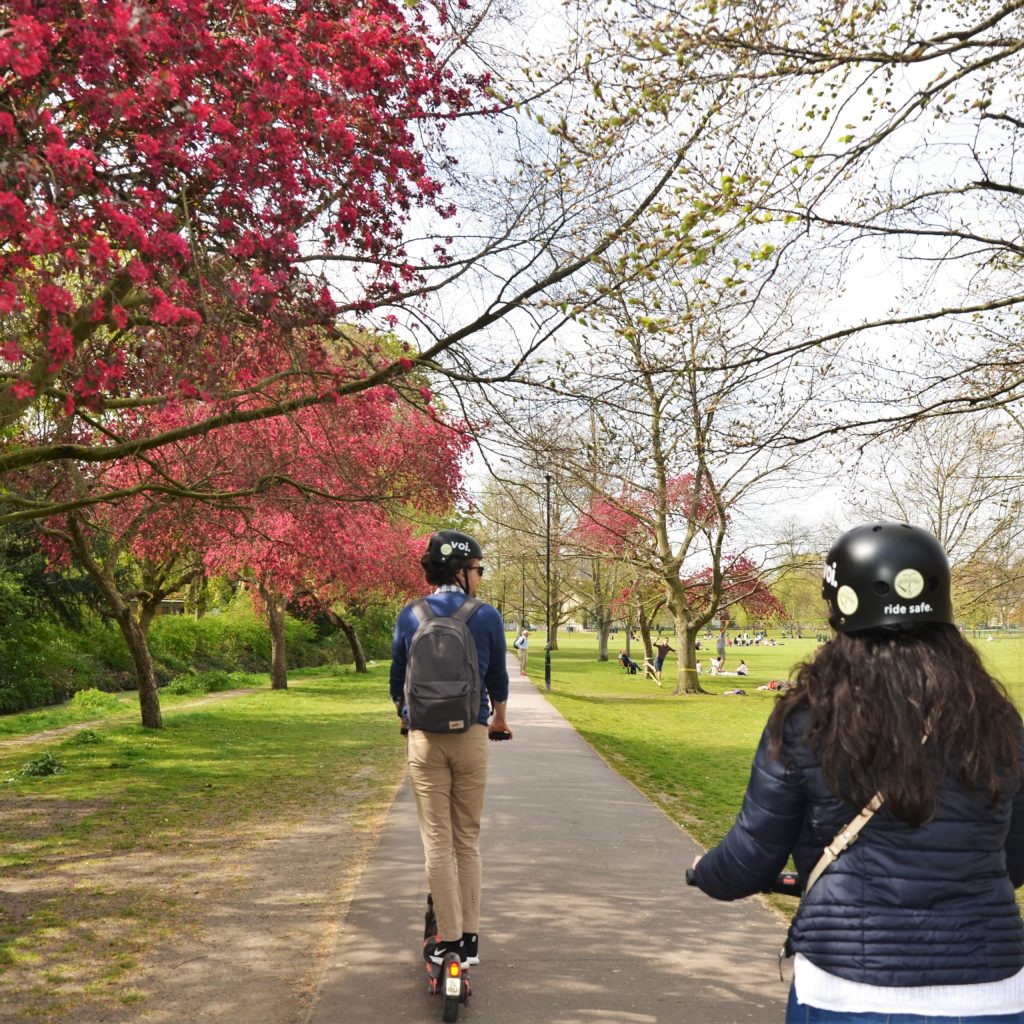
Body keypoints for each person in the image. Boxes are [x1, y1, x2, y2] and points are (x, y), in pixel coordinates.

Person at [691, 522, 1024, 1023]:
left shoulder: (810, 717)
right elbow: (1014, 855)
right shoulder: (995, 716)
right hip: (991, 993)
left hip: (847, 993)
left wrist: (702, 873)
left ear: (840, 609)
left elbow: (752, 857)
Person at [390, 530, 512, 969]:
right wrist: (498, 719)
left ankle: (448, 939)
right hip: (471, 736)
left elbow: (396, 681)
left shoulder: (411, 615)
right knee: (467, 838)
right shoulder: (486, 616)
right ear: (461, 571)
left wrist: (408, 719)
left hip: (424, 740)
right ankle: (472, 939)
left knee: (436, 840)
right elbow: (498, 678)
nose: (479, 576)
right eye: (478, 568)